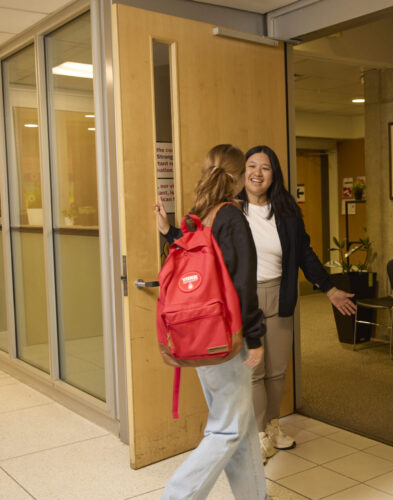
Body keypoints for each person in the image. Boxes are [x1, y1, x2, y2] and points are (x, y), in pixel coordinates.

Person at [155, 144, 268, 500]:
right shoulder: (231, 217)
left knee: (241, 425)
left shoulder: (199, 215)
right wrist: (256, 336)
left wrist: (168, 232)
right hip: (225, 338)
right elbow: (242, 282)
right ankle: (178, 496)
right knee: (226, 429)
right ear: (236, 179)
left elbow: (193, 267)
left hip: (198, 337)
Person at [237, 145, 356, 462]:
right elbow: (203, 245)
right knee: (253, 371)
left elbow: (304, 253)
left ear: (274, 174)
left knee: (276, 370)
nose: (257, 172)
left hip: (281, 295)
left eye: (265, 167)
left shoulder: (287, 212)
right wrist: (169, 232)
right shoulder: (231, 211)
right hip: (245, 299)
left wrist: (329, 289)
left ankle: (272, 424)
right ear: (243, 172)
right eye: (252, 165)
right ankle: (258, 434)